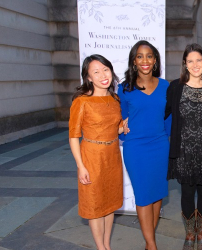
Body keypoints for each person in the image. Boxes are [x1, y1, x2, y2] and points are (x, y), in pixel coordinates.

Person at [165, 43, 202, 250]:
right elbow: (161, 113)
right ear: (185, 64)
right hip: (183, 153)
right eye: (190, 61)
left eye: (198, 60)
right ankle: (190, 234)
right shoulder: (175, 87)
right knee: (187, 193)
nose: (195, 64)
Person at [118, 40, 171, 250]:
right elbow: (121, 117)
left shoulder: (166, 86)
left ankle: (149, 241)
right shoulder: (124, 88)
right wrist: (121, 125)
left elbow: (169, 118)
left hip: (160, 146)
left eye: (149, 56)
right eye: (140, 56)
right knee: (142, 195)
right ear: (134, 61)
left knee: (157, 194)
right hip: (136, 148)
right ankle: (151, 244)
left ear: (155, 60)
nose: (145, 60)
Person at [69, 54, 124, 250]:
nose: (103, 75)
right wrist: (80, 166)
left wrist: (123, 127)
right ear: (89, 77)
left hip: (112, 156)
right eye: (96, 71)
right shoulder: (81, 101)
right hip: (91, 157)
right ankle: (100, 247)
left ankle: (107, 245)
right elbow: (74, 136)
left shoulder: (115, 98)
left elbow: (113, 128)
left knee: (109, 204)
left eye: (106, 69)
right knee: (95, 206)